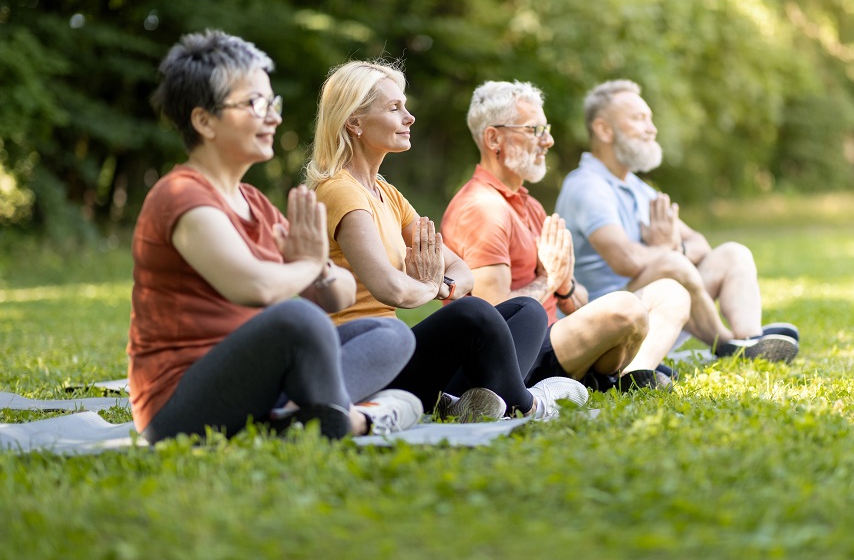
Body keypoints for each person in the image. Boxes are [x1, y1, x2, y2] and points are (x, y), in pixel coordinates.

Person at [128, 30, 421, 444]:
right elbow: (258, 287)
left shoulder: (254, 202)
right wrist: (308, 267)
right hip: (178, 405)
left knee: (390, 333)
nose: (273, 117)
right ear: (204, 121)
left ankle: (305, 417)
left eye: (272, 103)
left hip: (252, 382)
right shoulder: (182, 197)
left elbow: (334, 295)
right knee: (297, 319)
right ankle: (345, 419)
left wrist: (316, 270)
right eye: (254, 104)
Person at [304, 60, 588, 422]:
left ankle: (469, 400)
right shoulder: (339, 192)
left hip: (398, 355)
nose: (410, 118)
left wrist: (442, 284)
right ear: (354, 122)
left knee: (526, 311)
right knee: (472, 313)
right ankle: (527, 404)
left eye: (405, 106)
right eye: (394, 108)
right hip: (364, 363)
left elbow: (460, 270)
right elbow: (392, 290)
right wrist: (432, 287)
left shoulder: (385, 193)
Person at [441, 80, 691, 392]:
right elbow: (492, 318)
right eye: (534, 130)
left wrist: (563, 284)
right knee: (628, 309)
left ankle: (634, 375)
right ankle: (615, 377)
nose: (548, 140)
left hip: (553, 337)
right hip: (514, 357)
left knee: (671, 293)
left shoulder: (528, 205)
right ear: (494, 138)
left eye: (545, 129)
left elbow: (572, 297)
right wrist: (548, 281)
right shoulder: (481, 208)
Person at [555, 79, 800, 363]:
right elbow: (626, 260)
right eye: (639, 118)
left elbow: (699, 243)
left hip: (655, 305)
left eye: (650, 118)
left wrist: (675, 248)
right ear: (603, 129)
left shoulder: (637, 187)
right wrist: (669, 250)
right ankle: (728, 345)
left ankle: (751, 339)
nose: (652, 128)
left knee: (733, 254)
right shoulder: (587, 186)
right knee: (672, 264)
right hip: (605, 324)